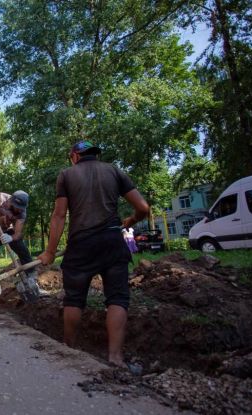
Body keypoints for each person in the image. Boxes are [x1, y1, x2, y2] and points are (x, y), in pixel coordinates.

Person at [37, 141, 149, 367]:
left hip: (81, 244)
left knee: (74, 299)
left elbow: (59, 215)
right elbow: (144, 208)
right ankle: (116, 357)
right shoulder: (115, 171)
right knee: (117, 298)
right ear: (94, 156)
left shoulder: (67, 175)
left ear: (75, 156)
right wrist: (131, 220)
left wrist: (50, 252)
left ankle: (69, 348)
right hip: (112, 241)